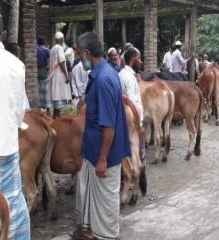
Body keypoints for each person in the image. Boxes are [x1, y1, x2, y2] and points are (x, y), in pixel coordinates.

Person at [73, 32, 131, 240]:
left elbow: (108, 125)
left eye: (80, 55)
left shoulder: (104, 79)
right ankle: (89, 231)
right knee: (87, 194)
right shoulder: (102, 73)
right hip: (93, 151)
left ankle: (107, 236)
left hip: (104, 155)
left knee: (106, 204)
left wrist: (103, 159)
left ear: (87, 53)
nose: (80, 59)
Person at [0, 11, 30, 239]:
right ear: (1, 34)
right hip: (11, 149)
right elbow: (21, 111)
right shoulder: (17, 64)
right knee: (12, 208)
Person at [119, 47, 144, 125]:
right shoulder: (129, 77)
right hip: (131, 121)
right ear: (133, 58)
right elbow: (132, 102)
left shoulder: (121, 73)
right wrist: (139, 125)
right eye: (139, 58)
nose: (140, 62)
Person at [49, 31, 71, 118]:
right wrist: (66, 75)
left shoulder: (52, 49)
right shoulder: (60, 48)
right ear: (62, 39)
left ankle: (55, 115)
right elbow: (62, 62)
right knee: (60, 95)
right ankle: (58, 118)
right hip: (59, 75)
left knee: (56, 94)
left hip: (54, 75)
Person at [37, 36, 52, 114]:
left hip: (37, 71)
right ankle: (48, 111)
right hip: (44, 71)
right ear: (44, 42)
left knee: (39, 91)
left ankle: (40, 110)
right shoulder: (47, 50)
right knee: (46, 91)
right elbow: (48, 62)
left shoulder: (35, 50)